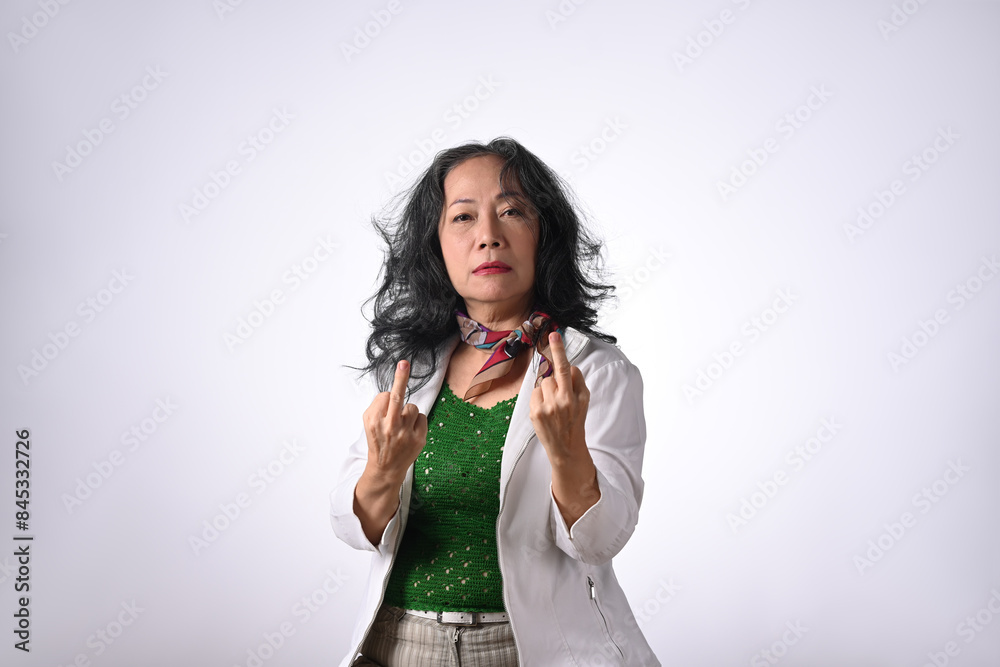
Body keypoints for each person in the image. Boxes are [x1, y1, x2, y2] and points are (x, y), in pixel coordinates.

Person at [330, 137, 659, 666]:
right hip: (402, 646)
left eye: (512, 212)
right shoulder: (410, 369)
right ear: (435, 245)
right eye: (463, 217)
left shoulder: (596, 372)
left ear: (543, 236)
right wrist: (382, 471)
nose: (488, 236)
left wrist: (568, 448)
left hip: (531, 649)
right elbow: (352, 527)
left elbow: (599, 542)